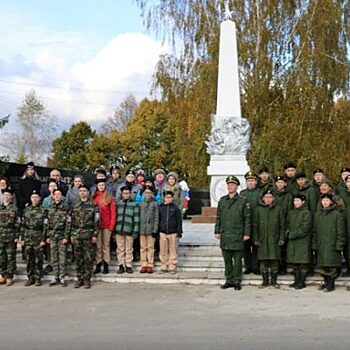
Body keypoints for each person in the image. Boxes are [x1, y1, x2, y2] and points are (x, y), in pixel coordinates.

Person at [215, 175, 251, 290]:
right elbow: (219, 217)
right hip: (225, 234)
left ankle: (237, 281)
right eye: (229, 185)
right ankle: (228, 279)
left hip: (237, 234)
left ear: (237, 187)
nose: (231, 187)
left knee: (238, 261)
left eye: (233, 185)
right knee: (227, 260)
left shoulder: (242, 201)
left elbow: (247, 218)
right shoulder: (222, 200)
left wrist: (246, 233)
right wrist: (217, 230)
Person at [313, 193, 345, 292]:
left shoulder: (337, 215)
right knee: (323, 265)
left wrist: (339, 244)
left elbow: (341, 232)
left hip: (332, 245)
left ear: (331, 202)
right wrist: (314, 244)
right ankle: (326, 282)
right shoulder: (318, 215)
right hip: (321, 244)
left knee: (332, 266)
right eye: (323, 201)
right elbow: (314, 231)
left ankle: (331, 284)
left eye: (327, 201)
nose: (325, 202)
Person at [253, 190, 285, 289]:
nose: (268, 199)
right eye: (266, 197)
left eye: (270, 197)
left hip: (274, 239)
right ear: (263, 198)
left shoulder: (278, 209)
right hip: (262, 240)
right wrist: (256, 238)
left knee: (275, 261)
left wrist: (281, 238)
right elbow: (255, 225)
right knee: (263, 262)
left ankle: (274, 281)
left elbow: (282, 225)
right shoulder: (258, 210)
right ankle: (265, 281)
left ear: (273, 199)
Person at [70, 184, 99, 289]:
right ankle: (80, 279)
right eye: (81, 191)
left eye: (84, 191)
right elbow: (70, 221)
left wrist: (95, 235)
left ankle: (87, 279)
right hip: (77, 235)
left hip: (88, 234)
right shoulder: (75, 205)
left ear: (88, 192)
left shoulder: (93, 205)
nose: (82, 192)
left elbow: (97, 221)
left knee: (88, 258)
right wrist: (71, 234)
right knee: (78, 258)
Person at [20, 190, 46, 286]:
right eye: (33, 197)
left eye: (36, 197)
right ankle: (30, 278)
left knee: (38, 259)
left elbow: (45, 226)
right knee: (29, 259)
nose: (34, 199)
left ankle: (38, 278)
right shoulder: (26, 210)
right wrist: (22, 238)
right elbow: (22, 225)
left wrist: (43, 239)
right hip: (27, 237)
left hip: (38, 236)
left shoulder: (43, 210)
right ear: (30, 199)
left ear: (39, 199)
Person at [44, 189, 70, 287]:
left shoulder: (66, 207)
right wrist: (47, 236)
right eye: (56, 194)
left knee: (62, 258)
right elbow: (46, 223)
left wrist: (66, 236)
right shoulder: (49, 208)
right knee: (54, 258)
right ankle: (55, 277)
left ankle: (62, 277)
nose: (58, 196)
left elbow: (68, 223)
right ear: (53, 196)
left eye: (59, 194)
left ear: (62, 196)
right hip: (52, 236)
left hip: (62, 236)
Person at [286, 193, 312, 289]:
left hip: (303, 241)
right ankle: (296, 280)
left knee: (302, 263)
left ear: (303, 202)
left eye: (298, 201)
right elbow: (287, 224)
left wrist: (293, 234)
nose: (295, 203)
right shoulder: (291, 212)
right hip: (292, 241)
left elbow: (305, 228)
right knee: (294, 262)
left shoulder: (306, 213)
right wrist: (287, 233)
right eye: (294, 201)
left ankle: (302, 281)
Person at [92, 179, 116, 275]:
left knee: (106, 245)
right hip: (97, 225)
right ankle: (98, 263)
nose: (101, 187)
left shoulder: (109, 197)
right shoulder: (94, 197)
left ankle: (106, 263)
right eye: (99, 185)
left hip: (106, 225)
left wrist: (111, 226)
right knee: (98, 245)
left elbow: (113, 213)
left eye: (102, 185)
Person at [240, 171, 261, 275]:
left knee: (256, 247)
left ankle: (255, 266)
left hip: (257, 225)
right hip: (245, 226)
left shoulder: (260, 193)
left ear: (256, 182)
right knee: (246, 247)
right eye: (248, 181)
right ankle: (248, 266)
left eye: (252, 180)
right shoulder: (242, 194)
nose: (250, 183)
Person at [115, 186, 140, 274]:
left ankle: (128, 265)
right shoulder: (118, 204)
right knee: (120, 248)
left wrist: (135, 230)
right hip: (119, 229)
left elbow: (137, 219)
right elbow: (115, 217)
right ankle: (121, 265)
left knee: (129, 249)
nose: (126, 195)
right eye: (124, 193)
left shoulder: (134, 204)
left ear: (130, 194)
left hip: (129, 229)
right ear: (122, 194)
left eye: (127, 193)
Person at [159, 190, 183, 274]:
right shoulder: (161, 207)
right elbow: (159, 219)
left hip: (173, 232)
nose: (168, 199)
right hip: (163, 232)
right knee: (163, 249)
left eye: (169, 197)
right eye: (166, 197)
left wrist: (179, 232)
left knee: (172, 249)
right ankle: (164, 265)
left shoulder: (175, 208)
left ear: (172, 198)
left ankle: (172, 264)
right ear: (164, 198)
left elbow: (179, 221)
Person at [0, 188, 20, 286]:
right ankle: (2, 275)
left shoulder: (14, 209)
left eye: (8, 195)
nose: (6, 197)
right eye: (5, 195)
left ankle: (10, 276)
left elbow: (17, 224)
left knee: (10, 256)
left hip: (11, 235)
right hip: (0, 235)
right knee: (1, 256)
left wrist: (17, 236)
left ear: (11, 197)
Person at [273, 175, 293, 275]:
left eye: (282, 182)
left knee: (284, 247)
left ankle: (283, 267)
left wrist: (288, 224)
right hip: (273, 224)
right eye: (278, 182)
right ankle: (275, 267)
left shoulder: (288, 196)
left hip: (284, 223)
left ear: (285, 184)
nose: (280, 184)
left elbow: (290, 211)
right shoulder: (272, 194)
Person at [139, 186, 159, 273]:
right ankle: (143, 264)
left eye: (149, 193)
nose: (148, 194)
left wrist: (155, 229)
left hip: (151, 229)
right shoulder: (140, 204)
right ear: (143, 194)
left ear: (152, 194)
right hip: (142, 229)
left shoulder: (155, 204)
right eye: (146, 193)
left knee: (150, 247)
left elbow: (156, 218)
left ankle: (150, 264)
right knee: (143, 247)